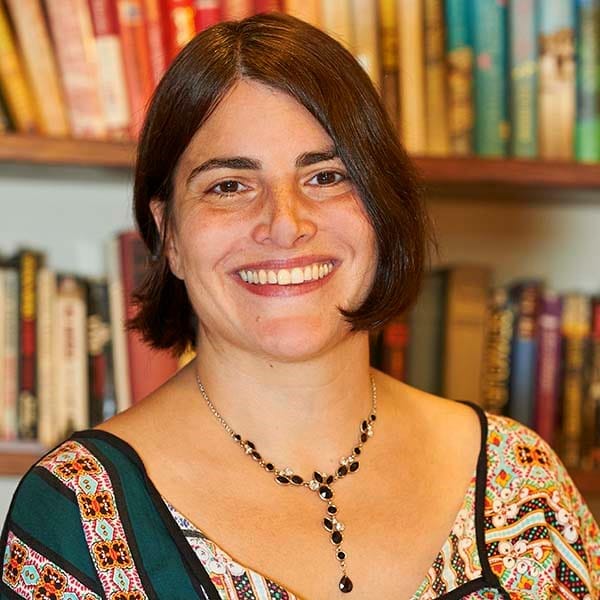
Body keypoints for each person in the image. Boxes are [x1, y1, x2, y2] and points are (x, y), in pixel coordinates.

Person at [1, 12, 599, 600]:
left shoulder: (522, 481)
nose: (284, 224)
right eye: (229, 186)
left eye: (327, 177)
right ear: (170, 237)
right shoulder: (77, 517)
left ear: (382, 209)